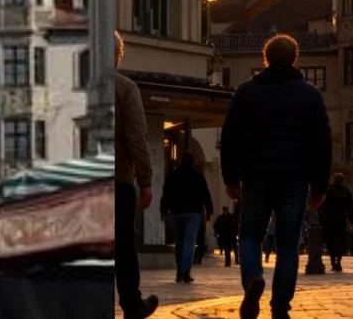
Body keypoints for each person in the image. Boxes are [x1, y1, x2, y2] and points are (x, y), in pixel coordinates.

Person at [220, 33, 332, 319]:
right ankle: (280, 306)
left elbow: (230, 137)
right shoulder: (309, 95)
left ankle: (253, 279)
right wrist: (320, 186)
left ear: (265, 58)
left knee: (249, 236)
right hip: (294, 178)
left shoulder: (247, 92)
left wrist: (230, 178)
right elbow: (322, 144)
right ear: (295, 58)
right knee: (287, 245)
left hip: (255, 175)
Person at [115, 31, 160, 319]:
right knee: (123, 246)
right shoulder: (124, 88)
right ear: (117, 55)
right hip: (116, 180)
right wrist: (145, 180)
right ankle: (132, 305)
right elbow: (136, 138)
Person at [161, 151, 213, 283]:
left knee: (179, 241)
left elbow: (166, 193)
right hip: (193, 213)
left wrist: (163, 210)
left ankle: (179, 270)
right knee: (189, 243)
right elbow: (205, 194)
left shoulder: (172, 176)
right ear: (193, 162)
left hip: (176, 212)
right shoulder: (198, 176)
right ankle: (185, 272)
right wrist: (209, 211)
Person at [320, 173, 353, 272]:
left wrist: (321, 217)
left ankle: (333, 261)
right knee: (341, 241)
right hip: (341, 219)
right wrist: (351, 220)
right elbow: (350, 207)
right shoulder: (345, 191)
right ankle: (338, 261)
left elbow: (322, 205)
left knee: (330, 240)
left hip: (329, 219)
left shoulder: (328, 190)